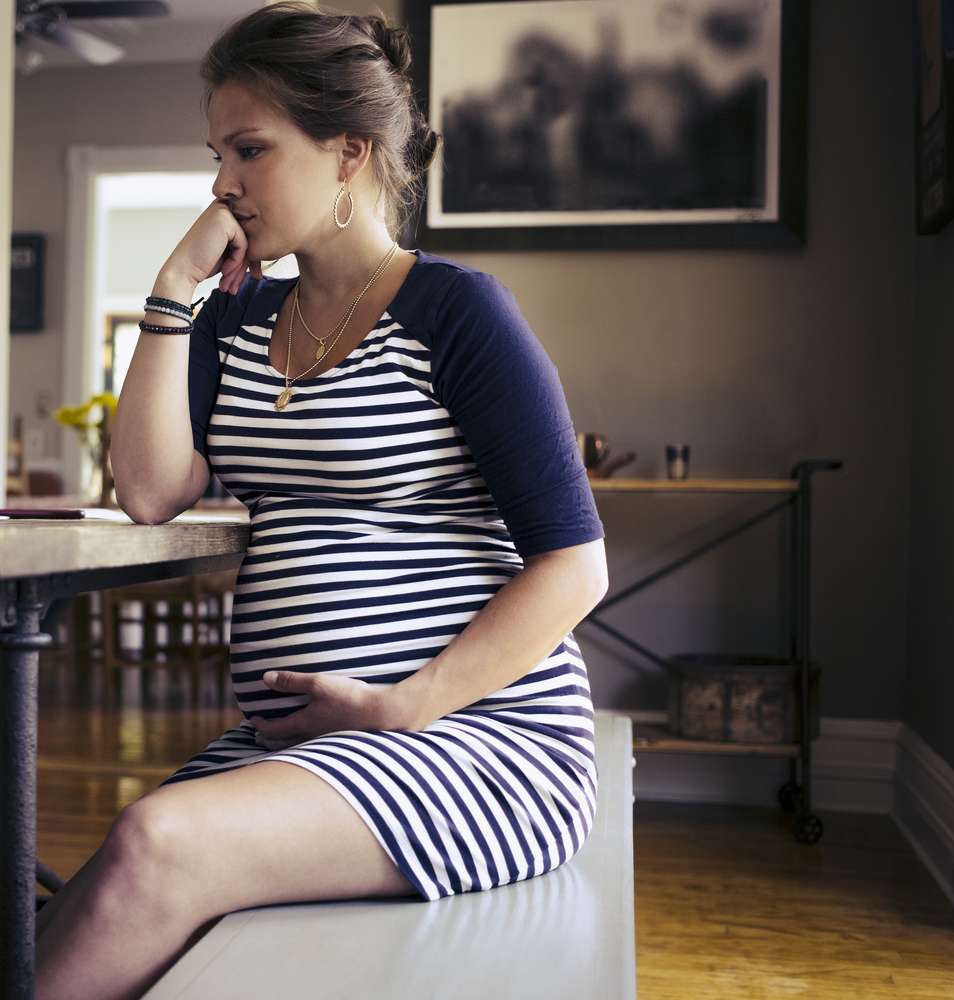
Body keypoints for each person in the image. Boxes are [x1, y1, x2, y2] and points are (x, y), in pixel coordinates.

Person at [37, 5, 608, 998]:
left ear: (349, 152)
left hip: (474, 742)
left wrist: (407, 704)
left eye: (251, 150)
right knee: (71, 919)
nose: (221, 184)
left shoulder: (455, 310)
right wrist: (173, 289)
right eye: (217, 153)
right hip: (306, 750)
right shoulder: (240, 317)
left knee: (154, 846)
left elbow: (576, 564)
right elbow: (148, 490)